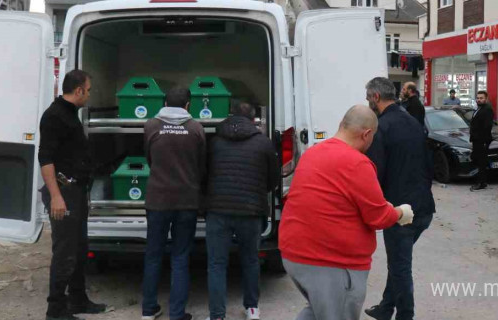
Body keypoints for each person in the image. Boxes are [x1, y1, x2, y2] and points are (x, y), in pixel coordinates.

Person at [279, 105, 413, 320]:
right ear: (367, 134)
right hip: (330, 262)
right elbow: (378, 216)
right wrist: (400, 212)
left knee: (318, 311)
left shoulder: (314, 153)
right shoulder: (357, 163)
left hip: (295, 255)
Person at [38, 70, 108, 320]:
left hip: (75, 190)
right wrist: (56, 196)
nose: (89, 95)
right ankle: (55, 310)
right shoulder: (54, 116)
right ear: (78, 91)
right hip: (63, 192)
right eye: (88, 90)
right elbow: (45, 159)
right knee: (65, 253)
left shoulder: (70, 114)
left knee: (79, 249)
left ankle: (78, 299)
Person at [364, 78, 434, 320]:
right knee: (398, 262)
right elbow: (429, 164)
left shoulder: (382, 127)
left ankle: (405, 315)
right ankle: (385, 308)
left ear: (375, 97)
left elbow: (375, 174)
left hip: (400, 212)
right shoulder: (412, 121)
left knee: (400, 267)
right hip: (424, 208)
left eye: (367, 97)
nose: (367, 101)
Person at [205, 100, 280, 320]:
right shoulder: (263, 143)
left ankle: (217, 315)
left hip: (218, 210)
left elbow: (204, 173)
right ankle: (252, 309)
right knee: (250, 260)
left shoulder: (214, 141)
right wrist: (257, 191)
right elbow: (273, 180)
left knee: (217, 263)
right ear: (254, 119)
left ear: (230, 116)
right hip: (251, 209)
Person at [142, 86, 206, 320]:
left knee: (153, 254)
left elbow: (149, 157)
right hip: (187, 200)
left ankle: (148, 310)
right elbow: (201, 165)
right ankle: (177, 314)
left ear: (165, 104)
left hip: (157, 199)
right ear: (188, 105)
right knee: (180, 257)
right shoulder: (196, 128)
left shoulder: (151, 125)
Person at [469, 91, 494, 191]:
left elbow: (487, 126)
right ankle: (481, 181)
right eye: (478, 98)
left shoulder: (487, 109)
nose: (479, 99)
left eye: (481, 98)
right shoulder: (479, 108)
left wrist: (483, 141)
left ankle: (481, 183)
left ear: (486, 99)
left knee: (481, 162)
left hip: (481, 140)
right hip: (476, 139)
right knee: (479, 160)